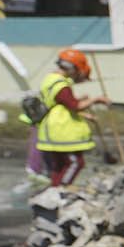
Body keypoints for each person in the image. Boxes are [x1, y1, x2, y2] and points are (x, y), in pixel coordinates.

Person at [34, 49, 109, 187]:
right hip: (62, 131)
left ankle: (54, 190)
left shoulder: (50, 79)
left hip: (52, 127)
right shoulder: (61, 85)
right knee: (75, 163)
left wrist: (85, 114)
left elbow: (61, 103)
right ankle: (61, 188)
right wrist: (96, 100)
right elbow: (74, 106)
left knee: (59, 165)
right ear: (72, 68)